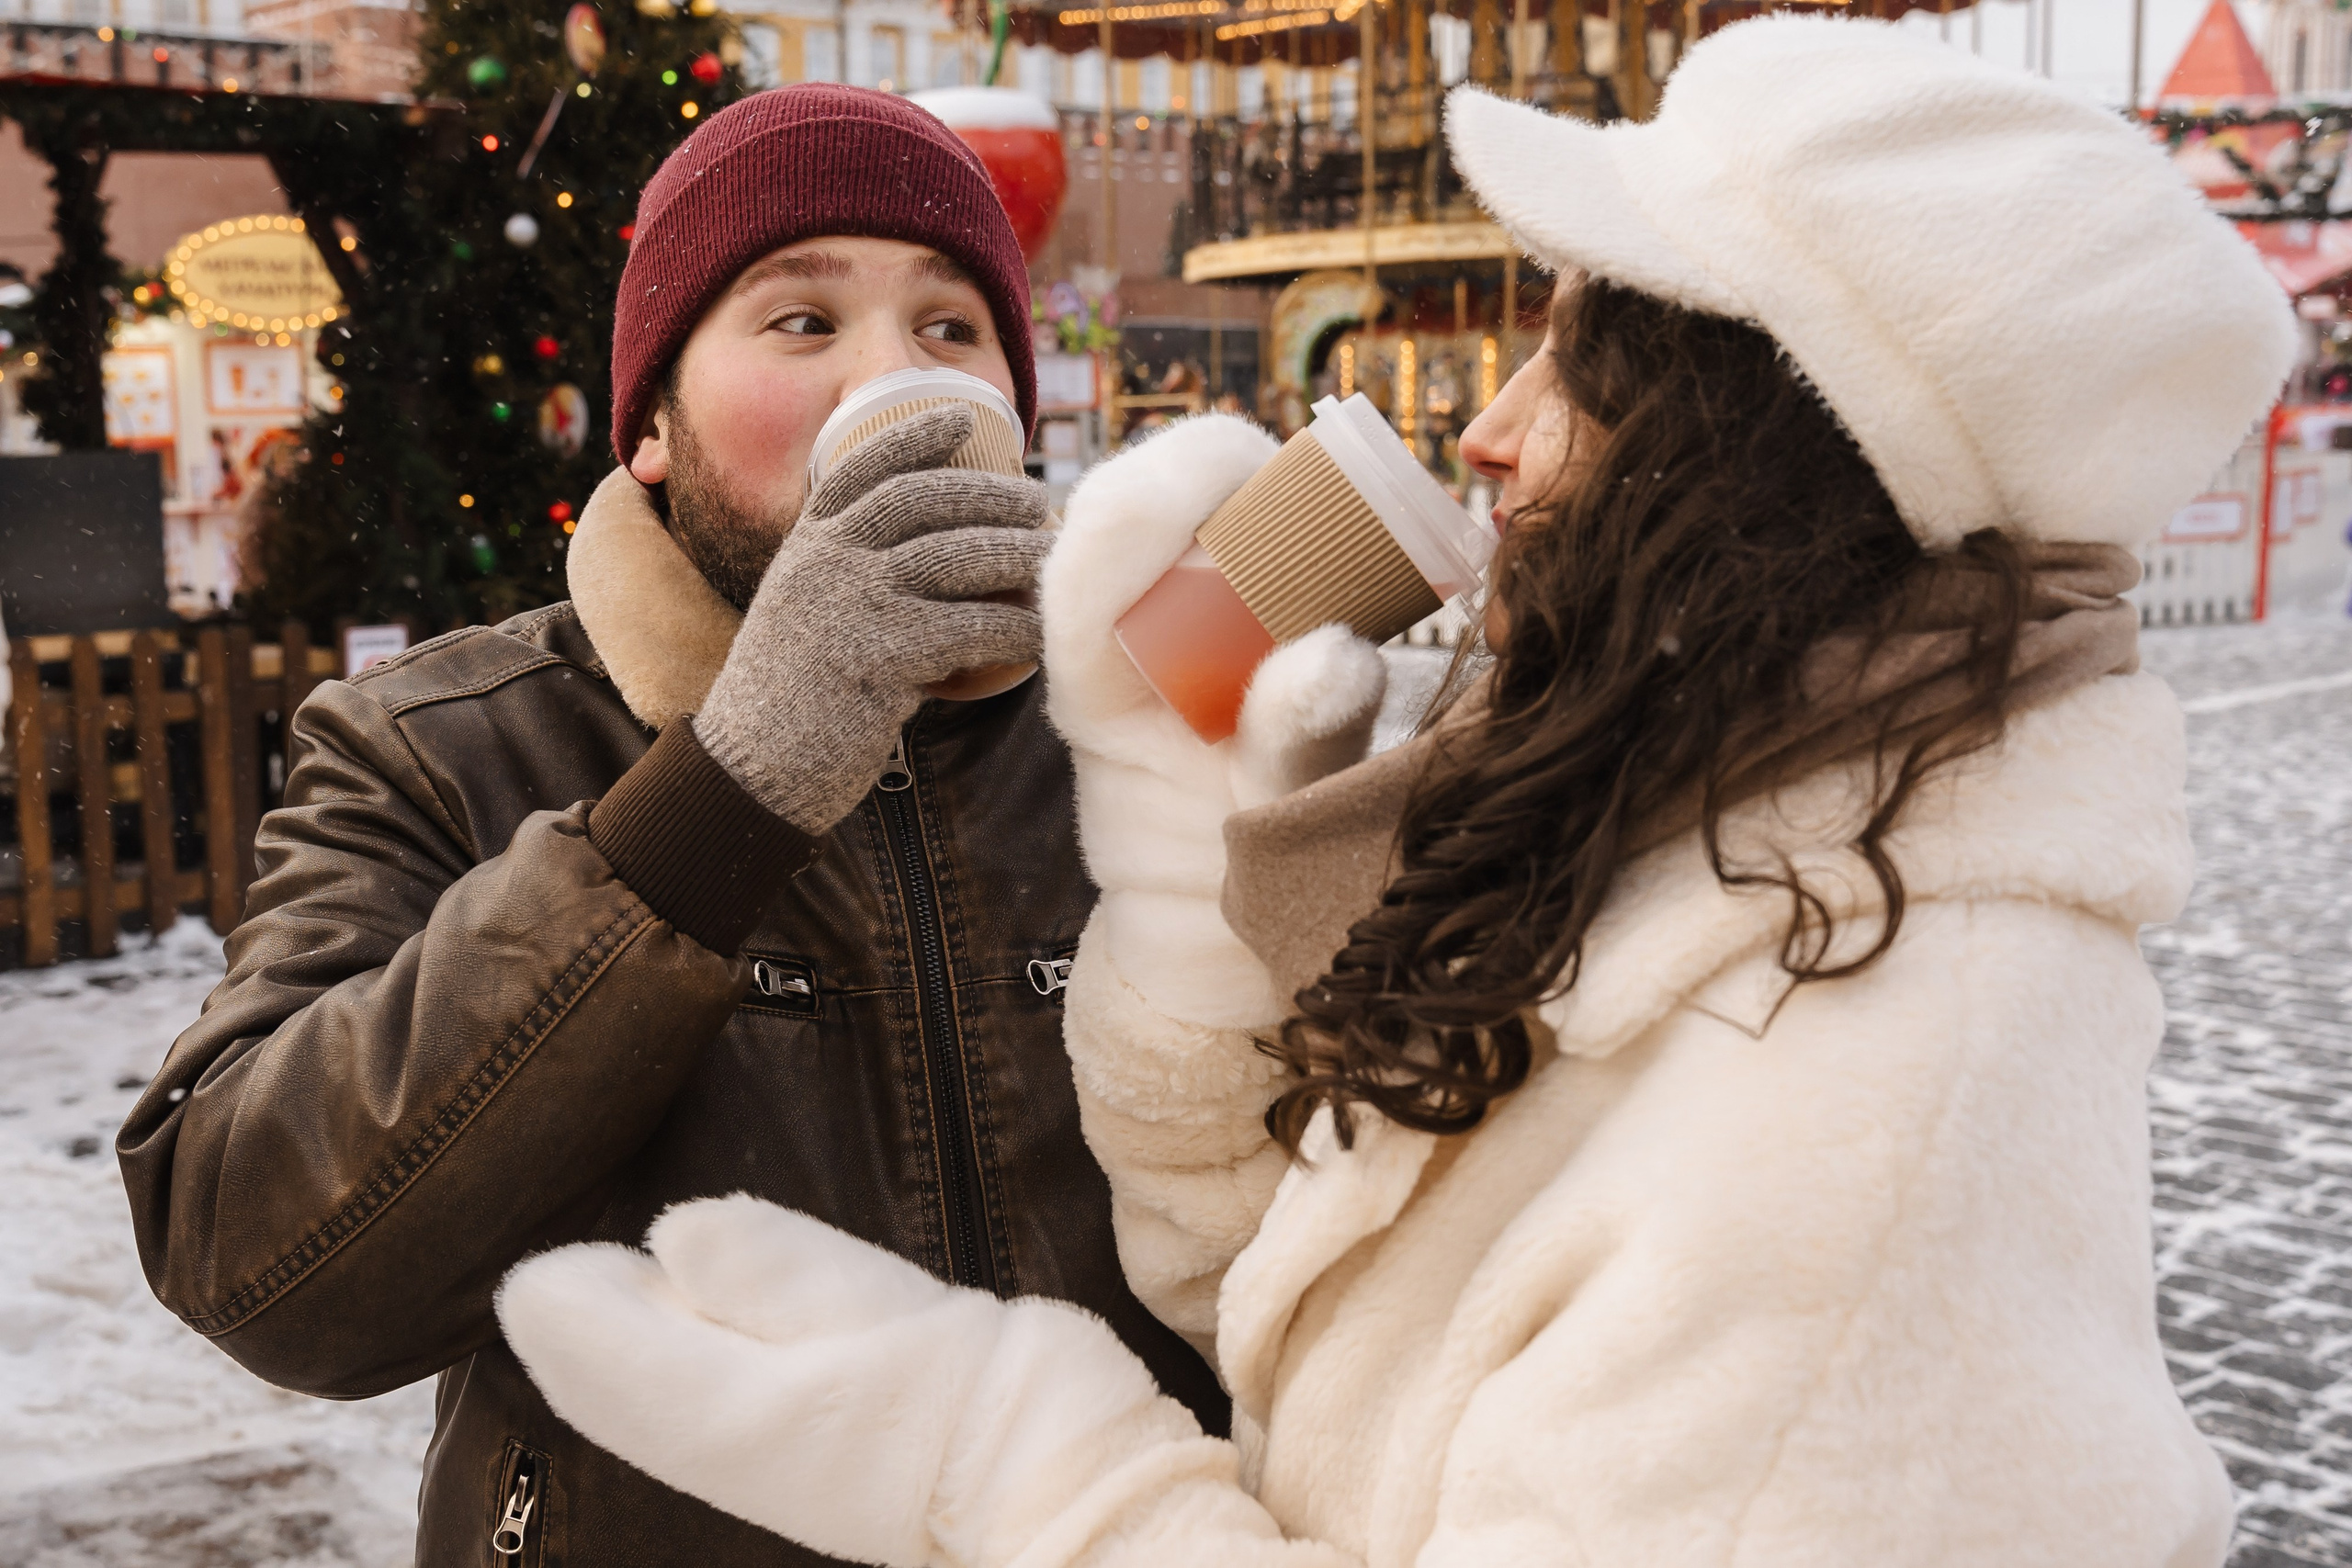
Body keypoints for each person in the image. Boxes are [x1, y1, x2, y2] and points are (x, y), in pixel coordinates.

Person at [496, 20, 2292, 1568]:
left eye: (1578, 366)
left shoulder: (1876, 1115)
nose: (1488, 430)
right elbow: (1345, 1334)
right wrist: (1180, 850)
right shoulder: (1689, 830)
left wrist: (1002, 1454)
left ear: (1763, 455)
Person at [115, 85, 1223, 1567]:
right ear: (650, 425)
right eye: (802, 321)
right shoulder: (444, 745)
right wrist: (731, 788)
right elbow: (252, 1261)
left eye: (951, 327)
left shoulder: (1139, 723)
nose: (893, 376)